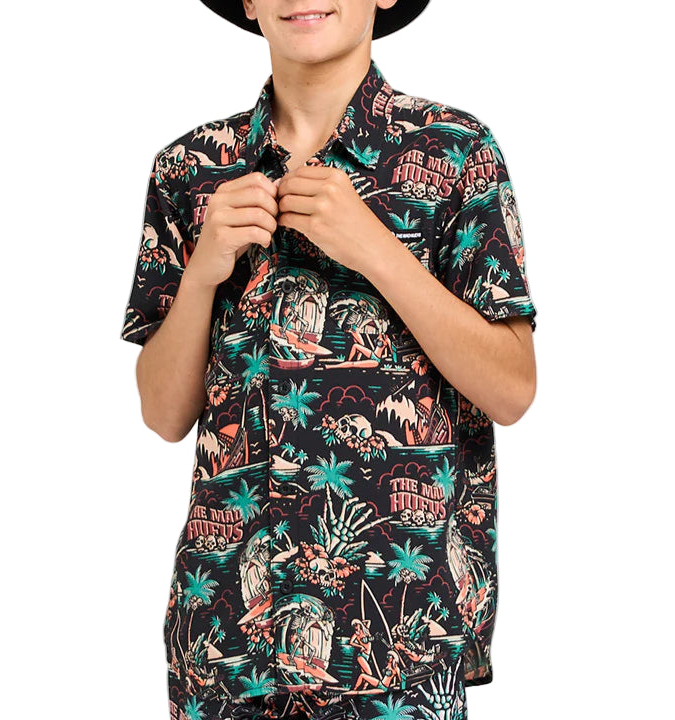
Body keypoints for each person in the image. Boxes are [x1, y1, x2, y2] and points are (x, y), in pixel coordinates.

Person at [119, 1, 538, 718]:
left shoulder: (456, 153)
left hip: (399, 648)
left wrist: (377, 250)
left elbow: (513, 388)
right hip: (225, 650)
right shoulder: (190, 171)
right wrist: (203, 273)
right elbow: (163, 414)